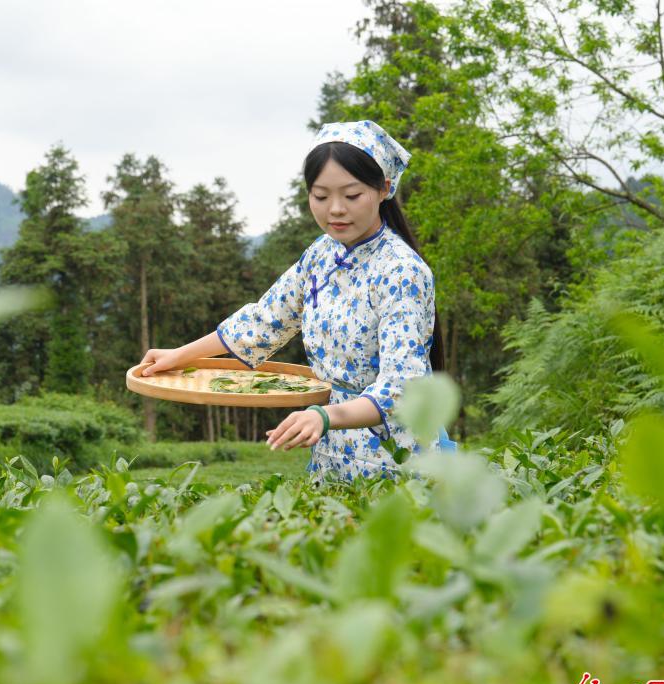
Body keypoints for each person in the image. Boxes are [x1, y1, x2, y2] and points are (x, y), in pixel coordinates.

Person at [138, 120, 451, 485]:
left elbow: (403, 389)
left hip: (400, 456)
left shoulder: (401, 271)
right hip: (334, 450)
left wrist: (324, 417)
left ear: (384, 188)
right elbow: (265, 320)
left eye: (351, 196)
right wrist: (180, 355)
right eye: (320, 196)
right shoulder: (321, 255)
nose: (335, 209)